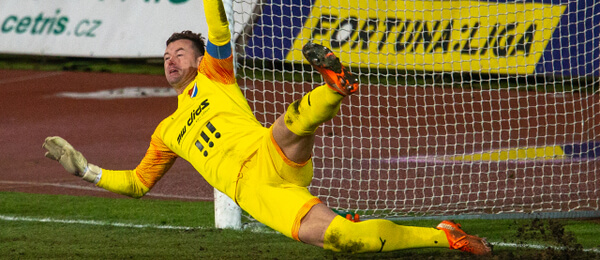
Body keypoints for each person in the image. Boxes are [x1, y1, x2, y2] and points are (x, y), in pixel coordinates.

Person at [42, 0, 491, 255]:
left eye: (180, 52)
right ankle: (447, 235)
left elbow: (217, 25)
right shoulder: (166, 131)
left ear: (199, 60)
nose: (171, 59)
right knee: (344, 240)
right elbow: (139, 184)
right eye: (166, 56)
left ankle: (334, 86)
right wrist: (87, 171)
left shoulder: (216, 75)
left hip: (268, 151)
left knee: (293, 122)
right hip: (263, 196)